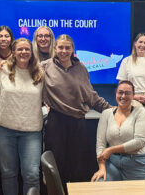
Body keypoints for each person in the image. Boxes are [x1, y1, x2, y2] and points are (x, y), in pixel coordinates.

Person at [42, 34, 111, 194]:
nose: (64, 51)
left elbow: (90, 96)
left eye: (67, 47)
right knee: (57, 168)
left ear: (73, 49)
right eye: (60, 47)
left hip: (78, 123)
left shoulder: (81, 68)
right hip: (56, 122)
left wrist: (113, 110)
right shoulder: (45, 66)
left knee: (79, 166)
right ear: (55, 48)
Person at [0, 38, 43, 195]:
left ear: (32, 52)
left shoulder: (40, 72)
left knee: (32, 175)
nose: (24, 52)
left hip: (32, 132)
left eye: (27, 49)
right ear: (13, 52)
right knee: (8, 174)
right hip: (4, 129)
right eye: (20, 49)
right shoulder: (2, 69)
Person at [116, 33, 145, 170]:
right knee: (140, 113)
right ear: (135, 43)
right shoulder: (127, 61)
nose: (142, 45)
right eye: (140, 42)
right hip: (132, 97)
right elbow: (121, 84)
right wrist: (133, 96)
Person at [91, 80, 145, 182]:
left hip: (136, 163)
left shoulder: (141, 112)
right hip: (112, 163)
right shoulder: (106, 114)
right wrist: (101, 168)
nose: (123, 96)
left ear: (133, 96)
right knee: (100, 184)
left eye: (127, 93)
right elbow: (100, 145)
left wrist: (111, 150)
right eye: (120, 92)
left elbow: (139, 142)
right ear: (116, 94)